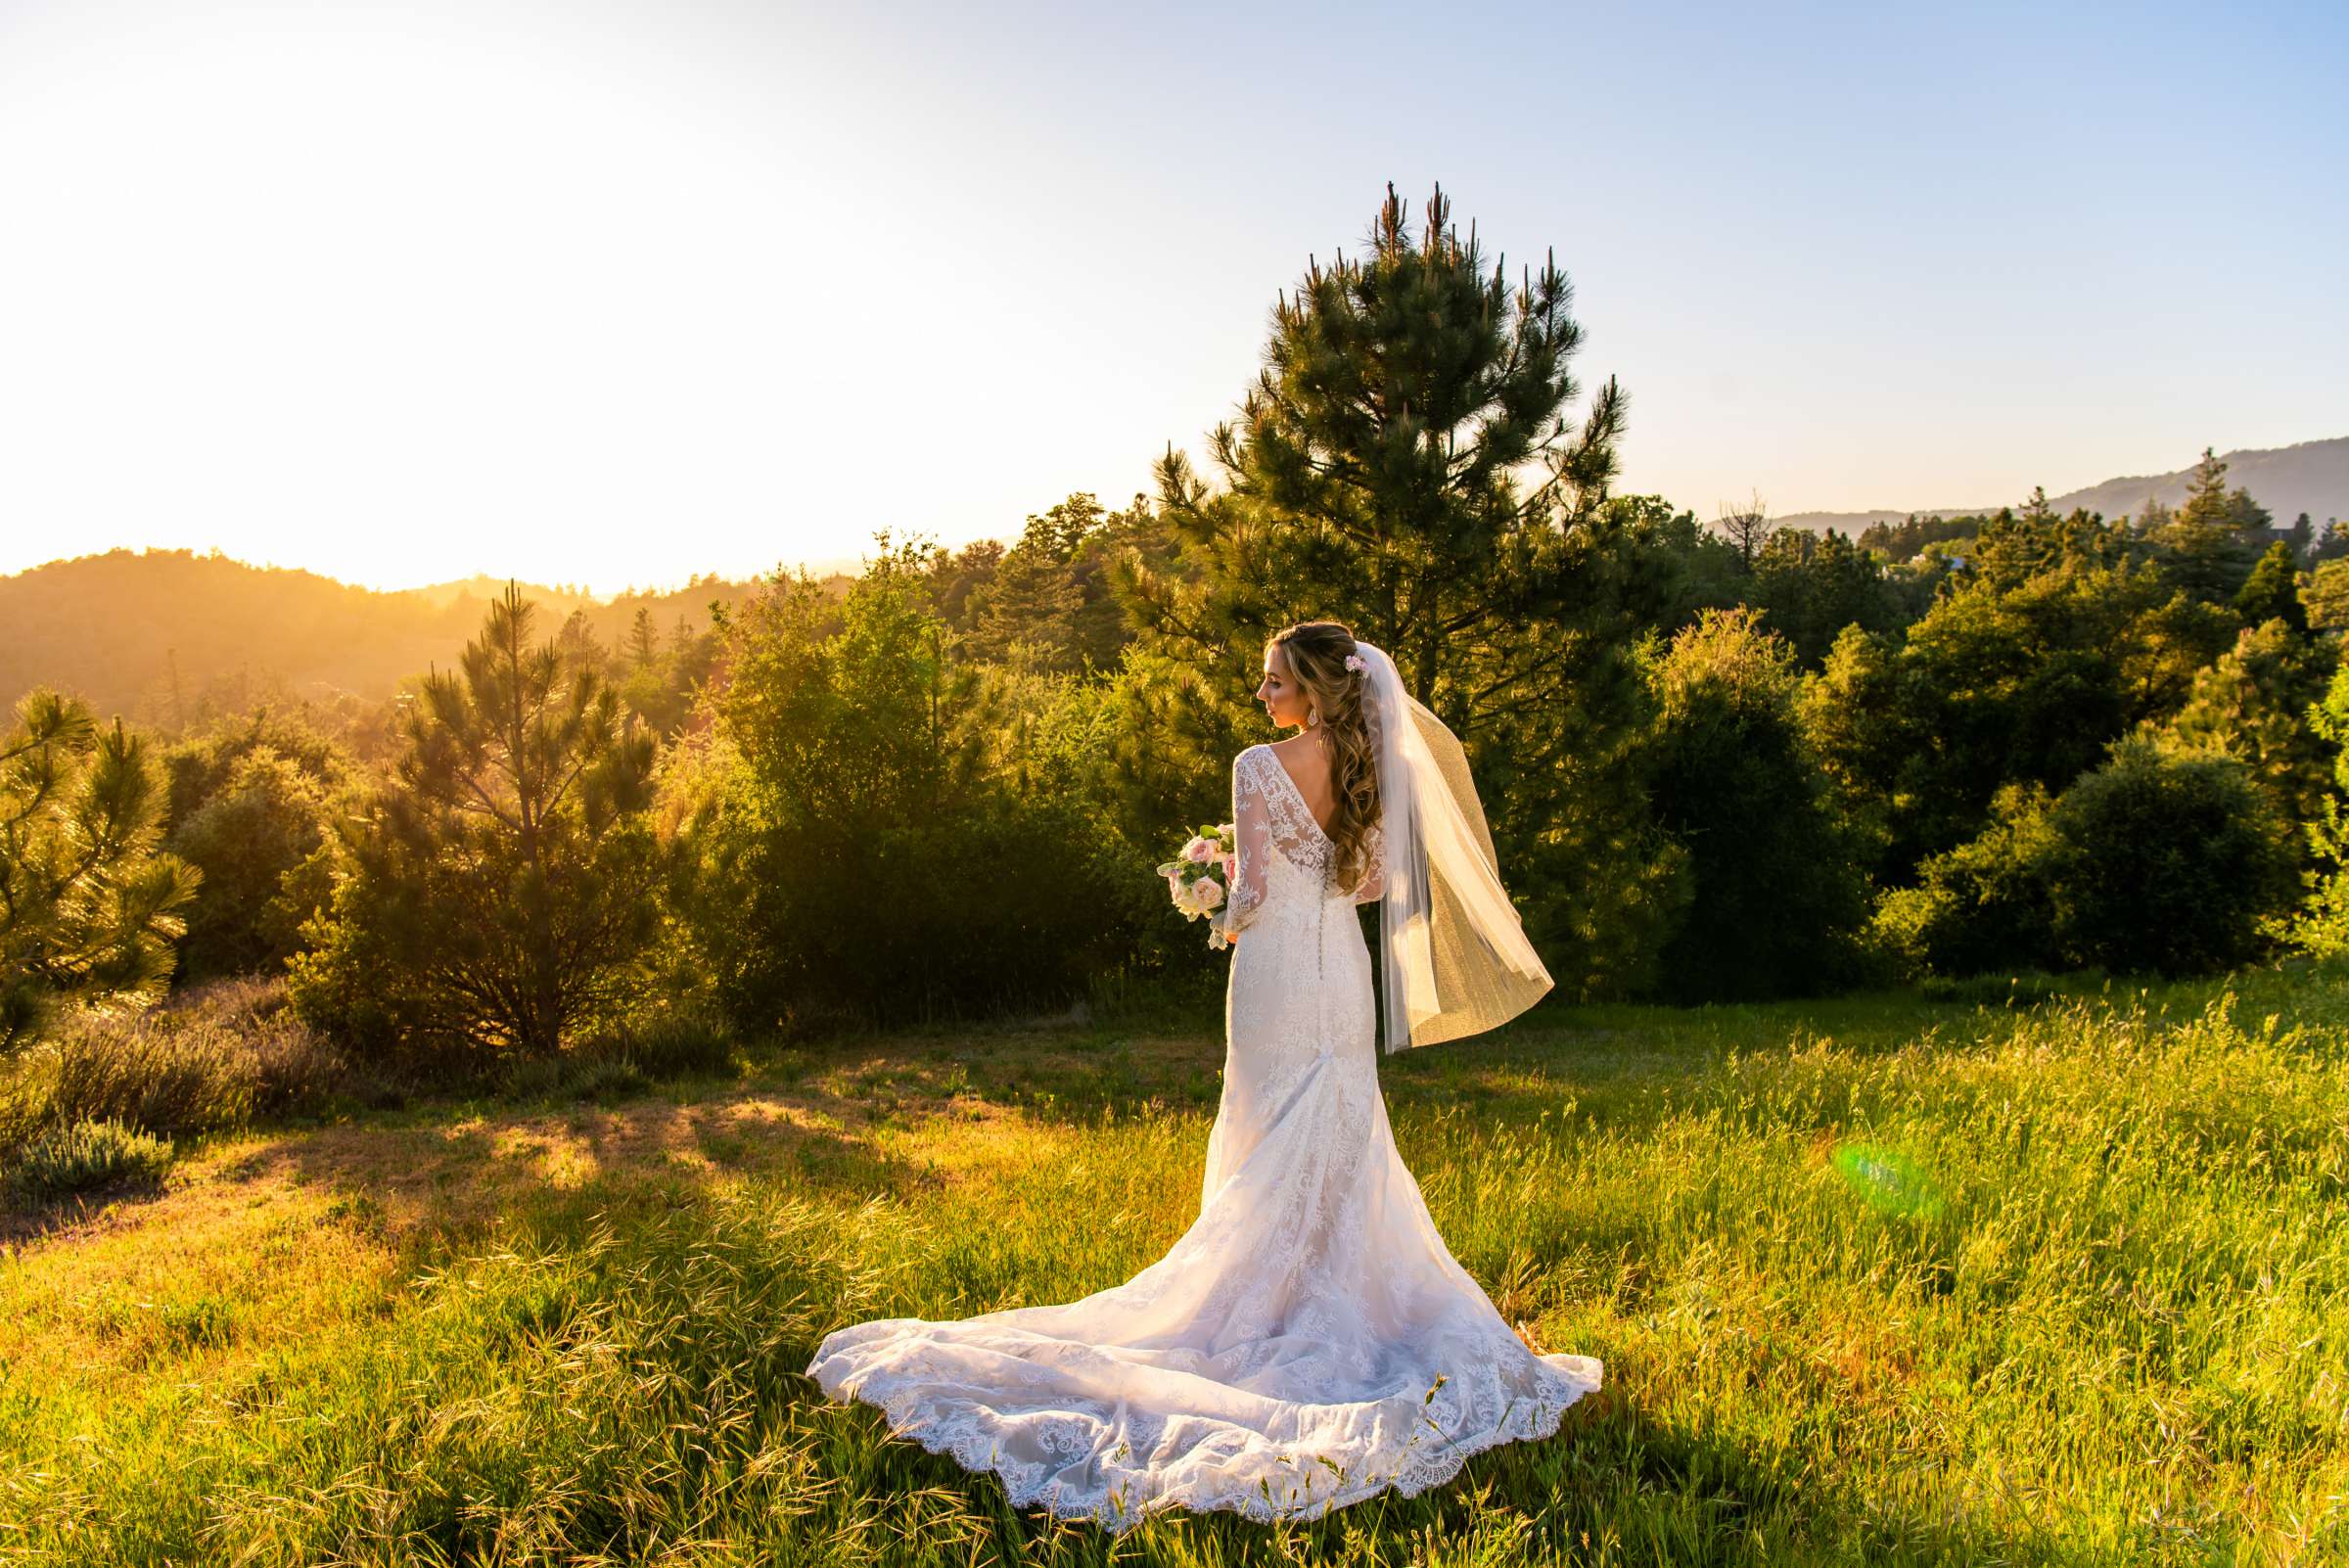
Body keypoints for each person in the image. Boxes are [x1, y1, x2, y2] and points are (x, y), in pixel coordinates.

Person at [805, 620, 1600, 1531]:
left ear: (1309, 689)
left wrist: (1217, 896)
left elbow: (1256, 893)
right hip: (1340, 972)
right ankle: (1320, 1295)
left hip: (1272, 978)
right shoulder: (1371, 767)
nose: (1261, 698)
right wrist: (1299, 874)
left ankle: (1259, 1304)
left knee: (1265, 1125)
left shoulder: (1257, 766)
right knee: (1338, 1128)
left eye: (1272, 683)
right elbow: (1374, 888)